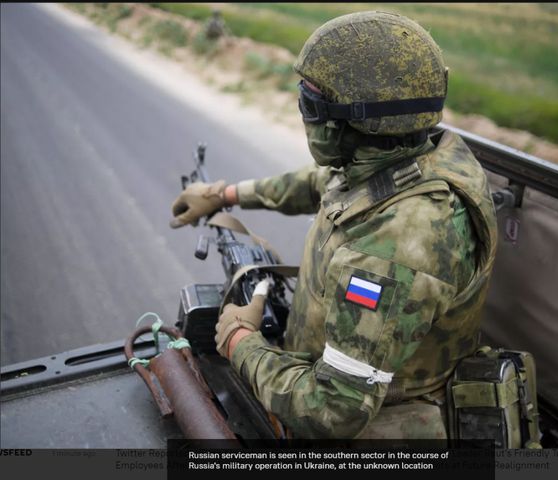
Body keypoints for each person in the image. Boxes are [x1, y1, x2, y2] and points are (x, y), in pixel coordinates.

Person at [170, 11, 498, 439]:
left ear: (353, 122)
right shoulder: (411, 153)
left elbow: (331, 412)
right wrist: (226, 195)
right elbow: (323, 181)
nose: (303, 114)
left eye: (310, 104)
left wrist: (239, 340)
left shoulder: (392, 248)